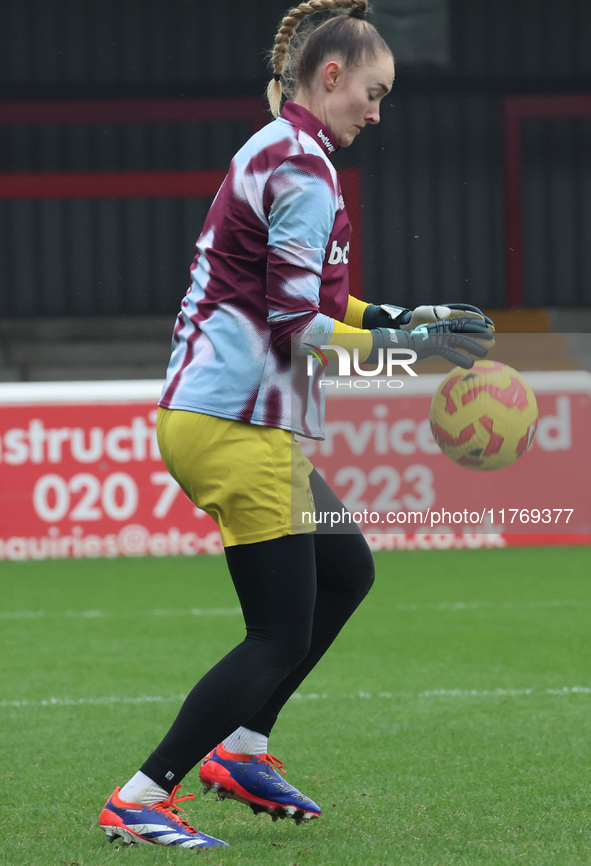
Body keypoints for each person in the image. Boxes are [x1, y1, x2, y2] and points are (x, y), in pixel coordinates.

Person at [99, 0, 493, 850]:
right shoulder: (303, 171)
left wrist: (403, 315)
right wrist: (403, 345)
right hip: (237, 421)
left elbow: (315, 299)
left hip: (227, 416)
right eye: (373, 92)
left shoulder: (284, 153)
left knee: (344, 571)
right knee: (278, 631)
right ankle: (140, 795)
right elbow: (298, 327)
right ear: (331, 74)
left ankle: (241, 749)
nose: (377, 112)